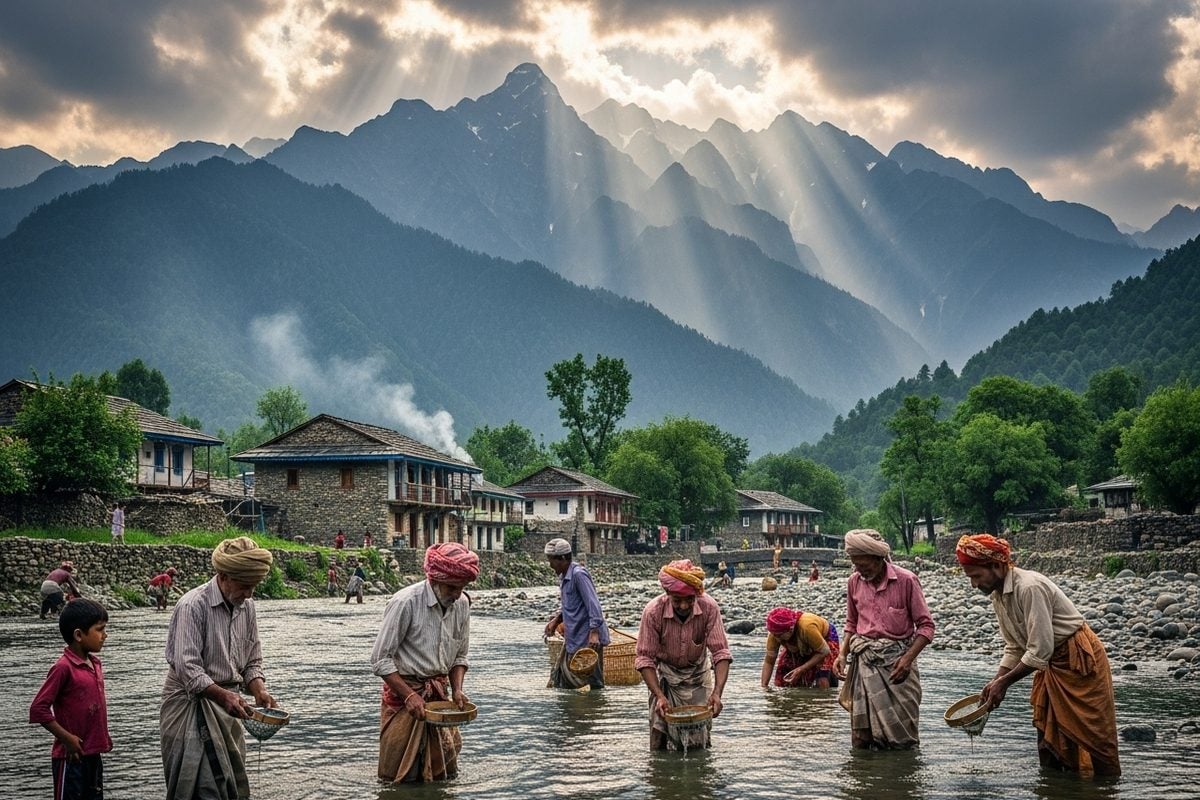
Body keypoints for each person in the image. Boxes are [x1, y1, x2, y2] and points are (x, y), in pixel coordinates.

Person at [956, 534, 1121, 776]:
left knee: (1094, 735)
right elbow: (1014, 646)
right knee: (1048, 738)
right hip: (1050, 664)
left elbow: (1039, 650)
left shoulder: (1029, 587)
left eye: (976, 576)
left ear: (997, 566)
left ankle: (1106, 787)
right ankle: (1056, 787)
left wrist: (1005, 683)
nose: (973, 584)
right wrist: (995, 681)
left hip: (1078, 660)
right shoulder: (998, 595)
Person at [160, 537, 277, 800]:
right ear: (223, 576)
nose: (249, 593)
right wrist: (223, 696)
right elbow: (188, 668)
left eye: (254, 587)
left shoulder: (247, 607)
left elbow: (252, 660)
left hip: (228, 706)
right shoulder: (192, 605)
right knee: (200, 788)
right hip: (190, 704)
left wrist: (259, 688)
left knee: (229, 785)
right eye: (245, 586)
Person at [371, 542, 479, 783]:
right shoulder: (405, 603)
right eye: (451, 587)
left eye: (461, 588)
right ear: (435, 580)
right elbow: (380, 660)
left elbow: (460, 657)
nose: (456, 594)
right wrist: (409, 696)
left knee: (444, 775)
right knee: (398, 777)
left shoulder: (461, 604)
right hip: (404, 697)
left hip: (439, 697)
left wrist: (458, 689)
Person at [832, 529, 934, 750]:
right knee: (860, 737)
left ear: (879, 559)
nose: (860, 571)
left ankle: (899, 779)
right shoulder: (854, 582)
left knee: (901, 740)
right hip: (864, 664)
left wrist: (907, 660)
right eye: (856, 566)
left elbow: (926, 627)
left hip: (897, 667)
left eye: (865, 566)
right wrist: (842, 654)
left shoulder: (906, 580)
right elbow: (851, 623)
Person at [635, 559, 732, 751]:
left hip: (697, 673)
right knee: (659, 733)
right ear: (668, 594)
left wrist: (717, 693)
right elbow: (645, 658)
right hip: (666, 675)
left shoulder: (709, 608)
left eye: (689, 599)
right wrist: (660, 695)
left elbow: (720, 653)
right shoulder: (653, 612)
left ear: (696, 594)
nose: (684, 606)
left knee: (699, 737)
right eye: (677, 600)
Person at [29, 598, 112, 800]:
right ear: (78, 635)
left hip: (92, 752)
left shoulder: (94, 663)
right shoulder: (63, 667)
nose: (105, 635)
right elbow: (38, 709)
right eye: (99, 630)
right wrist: (67, 739)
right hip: (71, 757)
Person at [543, 538, 610, 690]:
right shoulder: (564, 577)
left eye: (552, 560)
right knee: (564, 680)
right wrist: (556, 620)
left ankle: (592, 711)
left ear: (563, 559)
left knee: (592, 683)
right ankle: (574, 711)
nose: (550, 565)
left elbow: (594, 605)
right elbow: (570, 605)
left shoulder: (579, 575)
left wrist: (594, 633)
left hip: (587, 639)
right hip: (574, 635)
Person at [760, 607, 841, 689]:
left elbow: (824, 651)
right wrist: (764, 686)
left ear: (790, 630)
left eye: (779, 635)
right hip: (799, 643)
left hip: (825, 639)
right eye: (774, 635)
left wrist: (802, 669)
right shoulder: (775, 634)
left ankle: (824, 698)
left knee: (821, 676)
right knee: (784, 676)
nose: (777, 639)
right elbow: (769, 662)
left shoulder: (807, 627)